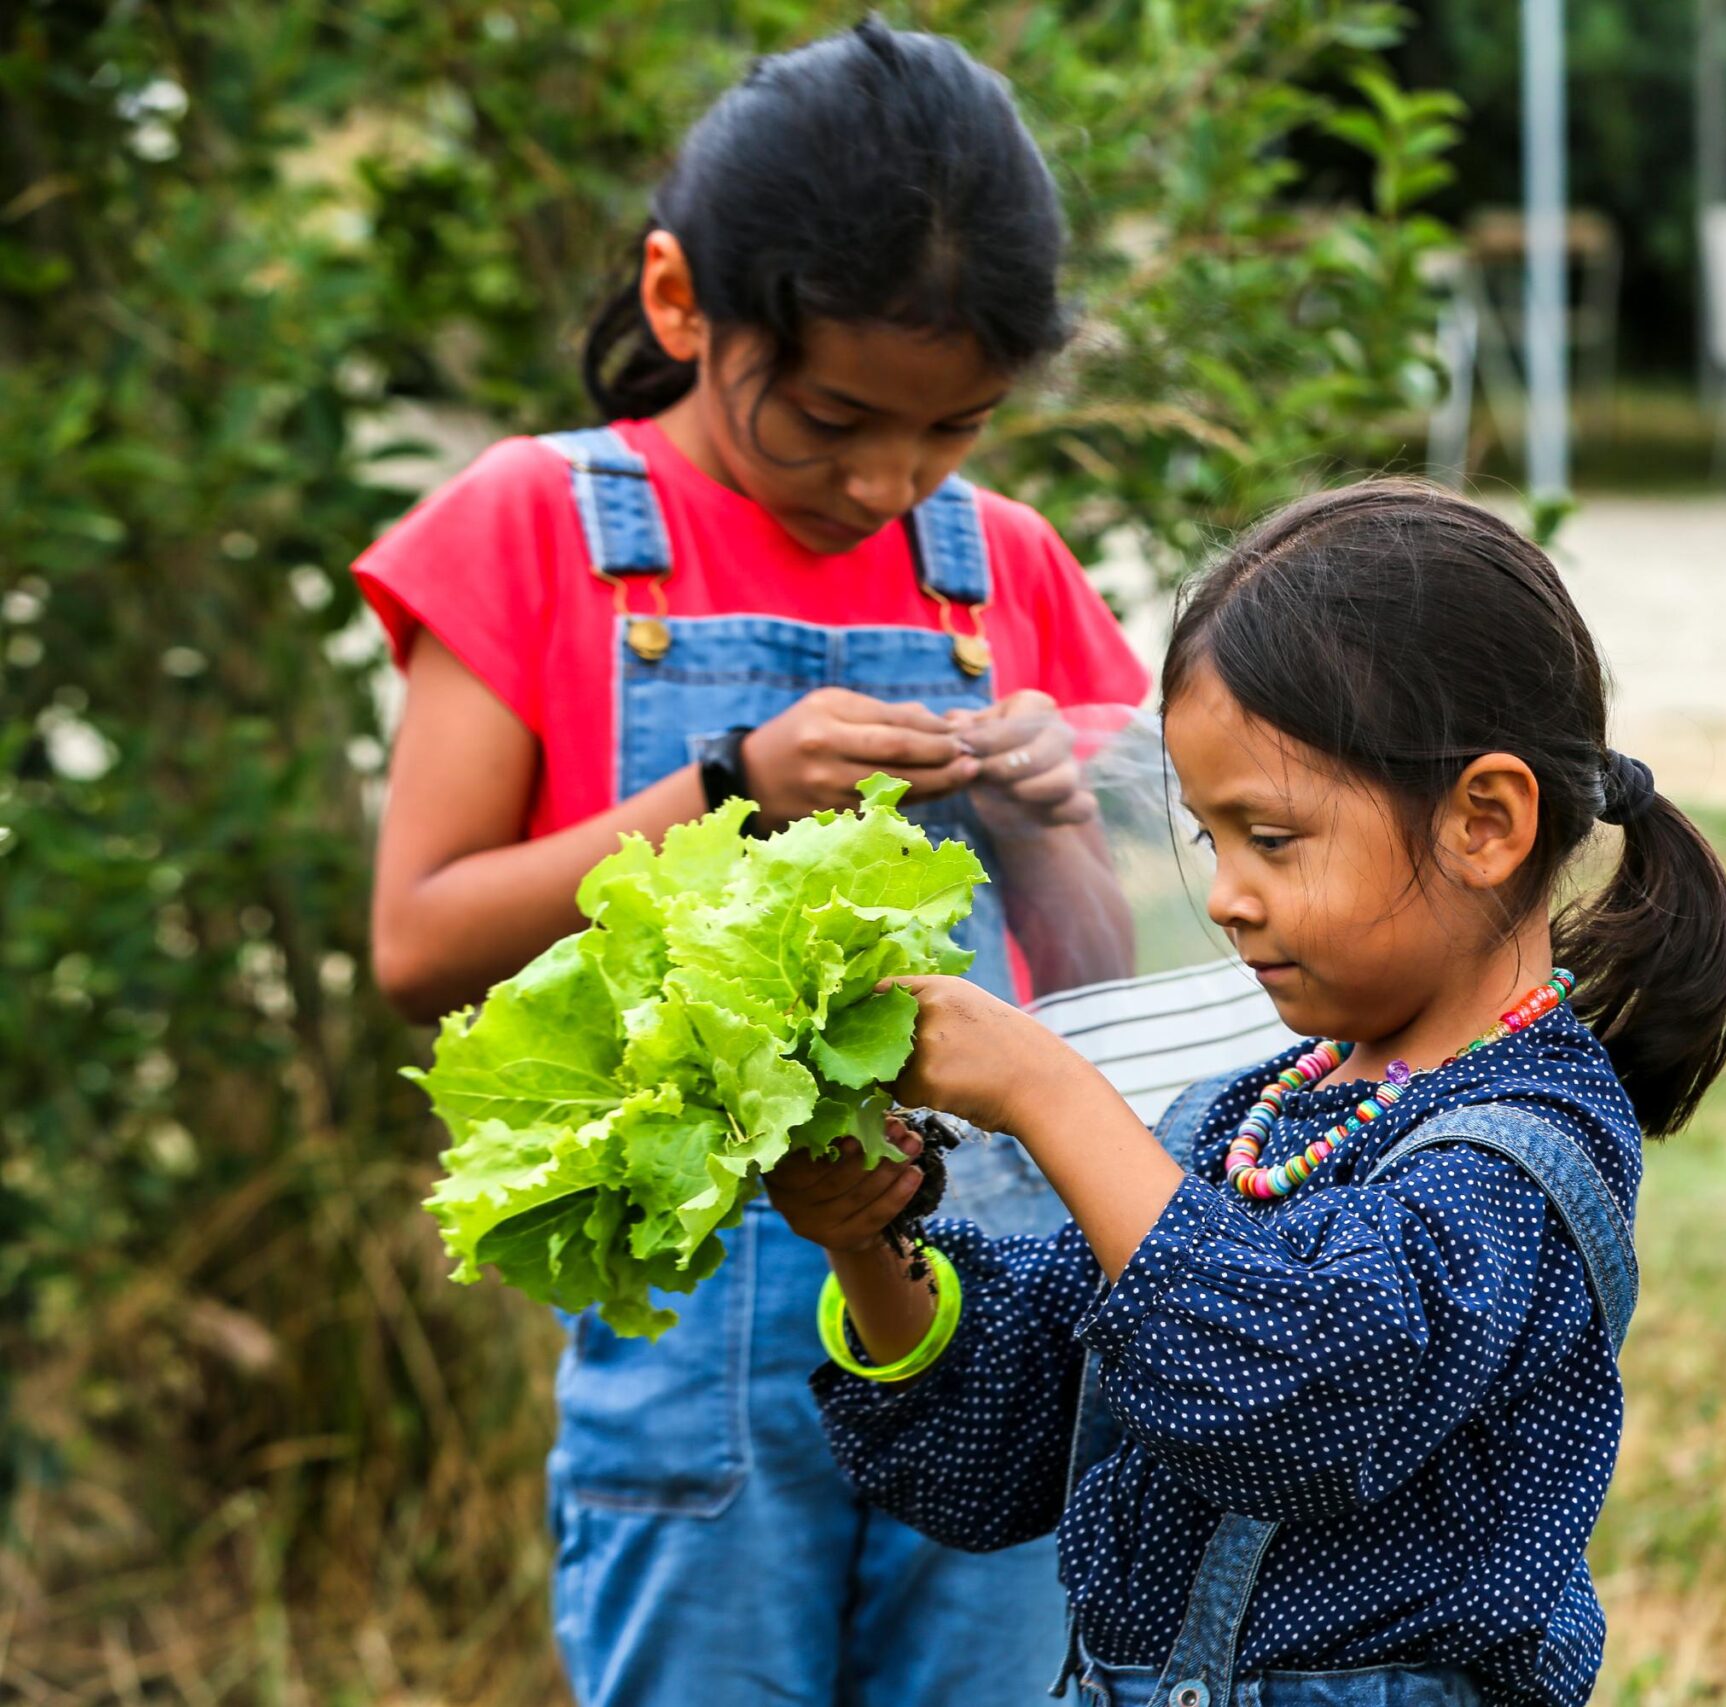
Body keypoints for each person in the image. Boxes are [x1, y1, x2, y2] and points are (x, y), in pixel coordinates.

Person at [354, 21, 1148, 1704]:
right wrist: (730, 781)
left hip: (988, 1321)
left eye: (953, 431)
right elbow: (420, 940)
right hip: (699, 1352)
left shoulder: (998, 561)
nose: (886, 482)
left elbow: (1098, 984)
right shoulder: (539, 526)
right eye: (836, 420)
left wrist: (1048, 808)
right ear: (677, 304)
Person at [763, 481, 1726, 1707]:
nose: (1226, 894)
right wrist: (872, 1241)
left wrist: (1044, 1090)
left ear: (1484, 824)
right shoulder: (1238, 1121)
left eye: (1271, 839)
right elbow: (1009, 1440)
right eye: (1208, 838)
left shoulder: (1519, 1160)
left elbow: (1290, 1400)